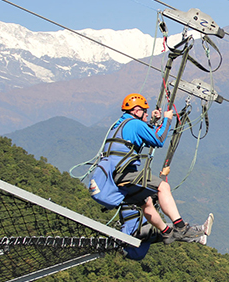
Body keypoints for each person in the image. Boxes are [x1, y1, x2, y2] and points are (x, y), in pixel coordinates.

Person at [89, 93, 213, 258]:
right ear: (137, 110)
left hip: (114, 177)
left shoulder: (121, 125)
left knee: (146, 202)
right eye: (145, 111)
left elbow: (142, 133)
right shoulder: (133, 123)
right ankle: (180, 227)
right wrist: (168, 119)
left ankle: (167, 231)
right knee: (163, 187)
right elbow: (158, 139)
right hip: (124, 174)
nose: (147, 114)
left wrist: (155, 121)